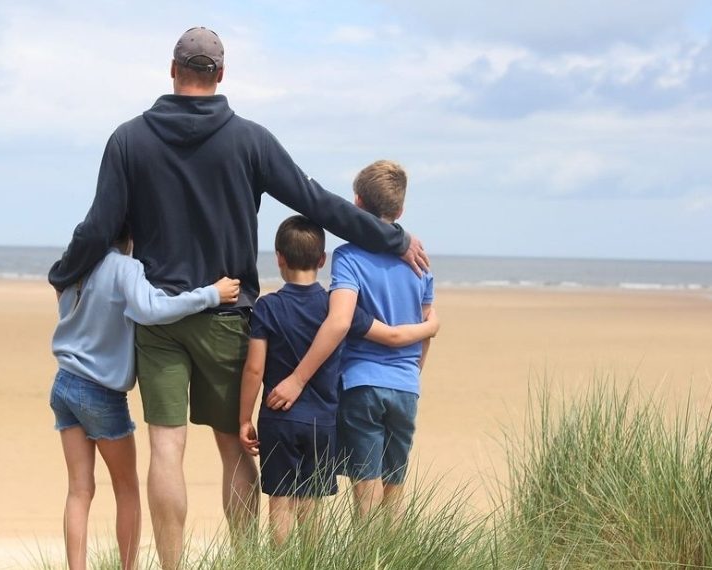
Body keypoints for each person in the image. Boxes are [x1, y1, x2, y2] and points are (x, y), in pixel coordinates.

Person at [48, 27, 430, 569]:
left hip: (159, 320)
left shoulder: (129, 139)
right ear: (221, 75)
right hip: (229, 317)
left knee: (166, 447)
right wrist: (393, 236)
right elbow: (318, 203)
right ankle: (249, 560)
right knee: (233, 446)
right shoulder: (249, 139)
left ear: (172, 69)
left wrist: (64, 274)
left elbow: (98, 227)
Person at [238, 215, 439, 545]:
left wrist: (245, 417)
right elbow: (388, 334)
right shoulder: (336, 309)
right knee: (312, 503)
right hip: (324, 421)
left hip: (278, 418)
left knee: (281, 501)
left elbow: (254, 370)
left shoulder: (267, 307)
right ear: (322, 260)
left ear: (279, 258)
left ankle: (280, 564)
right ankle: (311, 562)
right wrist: (429, 328)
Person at [49, 223, 240, 570]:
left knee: (79, 490)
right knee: (127, 488)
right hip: (100, 392)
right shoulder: (125, 268)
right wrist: (210, 294)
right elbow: (152, 309)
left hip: (64, 383)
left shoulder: (75, 267)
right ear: (131, 236)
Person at [266, 160, 434, 519]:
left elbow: (340, 321)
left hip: (361, 384)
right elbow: (426, 329)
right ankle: (392, 557)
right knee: (395, 487)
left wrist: (297, 379)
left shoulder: (348, 257)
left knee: (366, 488)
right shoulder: (419, 262)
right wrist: (412, 374)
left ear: (355, 205)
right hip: (406, 386)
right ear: (400, 209)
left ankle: (364, 556)